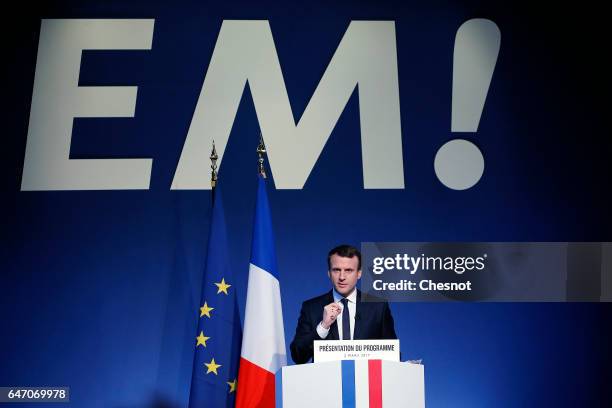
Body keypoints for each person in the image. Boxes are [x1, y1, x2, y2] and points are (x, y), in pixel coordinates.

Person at [290, 244, 397, 364]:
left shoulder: (378, 307)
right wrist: (323, 326)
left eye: (348, 270)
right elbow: (298, 356)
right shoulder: (311, 308)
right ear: (329, 273)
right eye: (336, 270)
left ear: (359, 274)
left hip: (366, 381)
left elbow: (392, 354)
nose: (342, 277)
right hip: (326, 381)